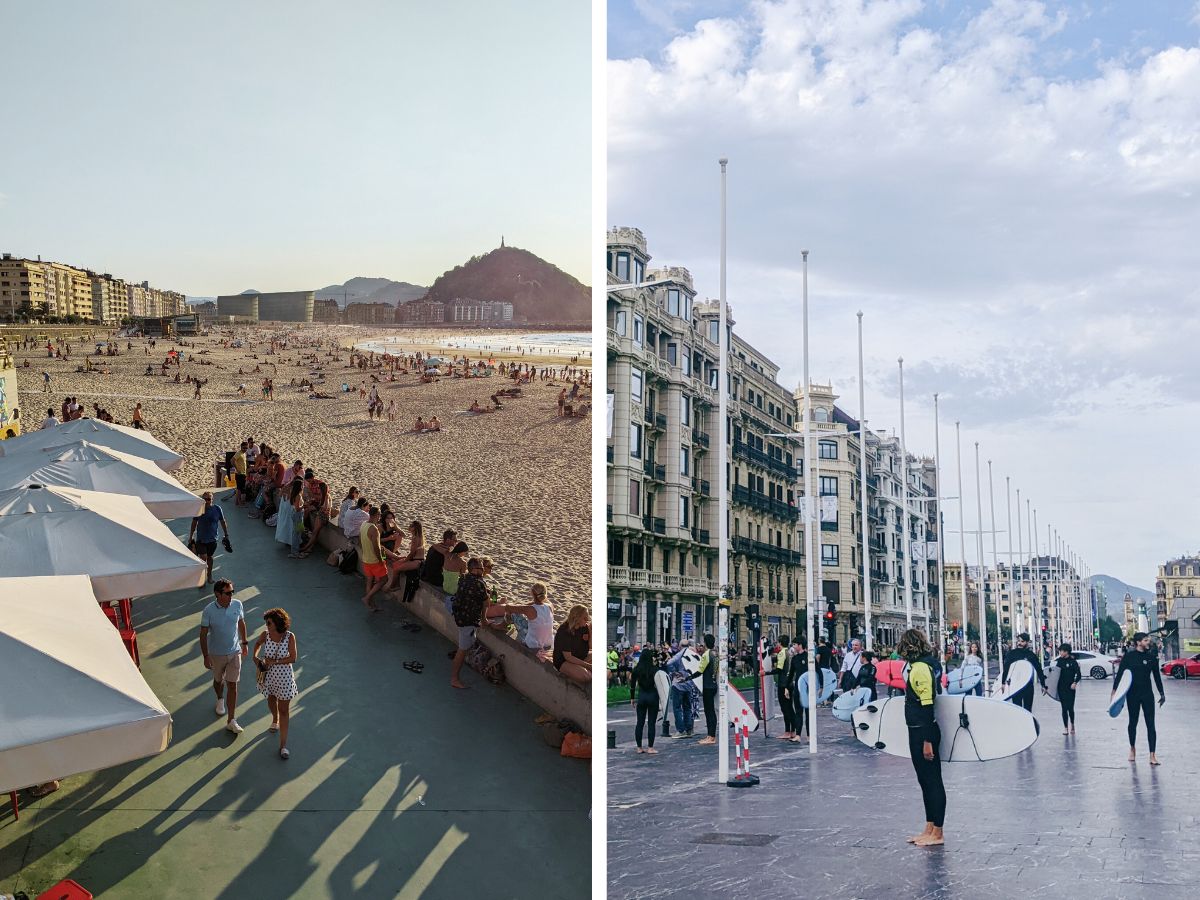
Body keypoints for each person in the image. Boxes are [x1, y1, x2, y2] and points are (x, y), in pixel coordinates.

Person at [898, 628, 946, 847]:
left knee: (933, 781)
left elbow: (928, 704)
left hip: (923, 731)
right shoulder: (921, 666)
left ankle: (938, 833)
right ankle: (929, 827)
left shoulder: (919, 668)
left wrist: (927, 741)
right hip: (917, 729)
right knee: (924, 782)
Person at [199, 579, 248, 735]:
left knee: (233, 685)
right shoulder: (208, 611)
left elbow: (241, 623)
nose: (231, 595)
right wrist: (206, 656)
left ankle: (231, 720)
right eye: (227, 593)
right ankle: (220, 698)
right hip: (216, 653)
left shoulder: (237, 604)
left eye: (232, 592)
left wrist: (245, 642)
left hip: (235, 651)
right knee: (218, 681)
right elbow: (203, 634)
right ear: (217, 594)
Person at [253, 607, 299, 759]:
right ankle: (274, 719)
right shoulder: (265, 635)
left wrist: (275, 661)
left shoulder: (289, 637)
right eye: (266, 622)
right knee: (271, 699)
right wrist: (255, 657)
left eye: (269, 622)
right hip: (269, 676)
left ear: (278, 623)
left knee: (284, 710)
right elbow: (257, 644)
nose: (266, 625)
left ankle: (283, 746)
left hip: (284, 677)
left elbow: (293, 658)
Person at [1113, 631, 1165, 764]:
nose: (1149, 642)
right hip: (1133, 694)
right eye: (1146, 640)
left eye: (1148, 640)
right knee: (1133, 722)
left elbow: (1157, 677)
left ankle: (1152, 755)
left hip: (1147, 694)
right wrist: (1114, 692)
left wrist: (1162, 693)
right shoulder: (1129, 657)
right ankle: (1132, 748)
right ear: (1138, 642)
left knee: (1151, 724)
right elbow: (1120, 675)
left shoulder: (1151, 657)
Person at [450, 557, 490, 689]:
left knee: (464, 647)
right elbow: (486, 603)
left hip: (459, 617)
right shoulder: (479, 584)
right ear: (474, 569)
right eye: (481, 568)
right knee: (462, 650)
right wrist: (484, 619)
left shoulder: (464, 578)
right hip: (468, 621)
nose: (483, 571)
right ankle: (454, 679)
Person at [496, 582, 553, 656]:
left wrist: (518, 606)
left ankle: (502, 626)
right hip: (548, 642)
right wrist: (524, 605)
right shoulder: (550, 606)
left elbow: (507, 607)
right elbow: (535, 603)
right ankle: (503, 626)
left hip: (533, 644)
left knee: (512, 613)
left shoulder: (530, 609)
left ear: (532, 593)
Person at [360, 505, 398, 610]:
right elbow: (376, 548)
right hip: (374, 560)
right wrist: (381, 560)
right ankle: (367, 598)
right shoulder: (374, 529)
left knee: (370, 581)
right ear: (376, 515)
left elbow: (361, 541)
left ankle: (371, 605)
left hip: (366, 558)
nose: (380, 517)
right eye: (379, 515)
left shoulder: (364, 525)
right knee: (384, 579)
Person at [188, 492, 230, 585]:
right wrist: (191, 536)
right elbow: (194, 523)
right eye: (204, 499)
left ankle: (209, 575)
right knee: (203, 558)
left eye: (208, 499)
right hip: (201, 539)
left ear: (212, 499)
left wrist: (226, 534)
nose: (206, 501)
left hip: (213, 539)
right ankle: (201, 578)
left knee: (210, 557)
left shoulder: (217, 509)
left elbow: (223, 522)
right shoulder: (199, 510)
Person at [1000, 633, 1047, 712]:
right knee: (1017, 709)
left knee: (1028, 710)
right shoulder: (1012, 653)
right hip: (1016, 685)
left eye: (1022, 641)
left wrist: (1043, 685)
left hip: (1028, 686)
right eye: (1018, 641)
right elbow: (1006, 668)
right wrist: (1003, 683)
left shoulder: (1031, 655)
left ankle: (1027, 724)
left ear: (1027, 642)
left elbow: (1039, 670)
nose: (1019, 643)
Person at [629, 645, 662, 754]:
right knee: (651, 723)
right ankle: (650, 747)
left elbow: (632, 685)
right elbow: (660, 685)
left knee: (640, 722)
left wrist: (632, 698)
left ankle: (639, 747)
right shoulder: (655, 669)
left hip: (642, 696)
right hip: (653, 696)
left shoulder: (636, 670)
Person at [553, 604, 592, 686]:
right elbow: (568, 657)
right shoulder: (564, 630)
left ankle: (580, 668)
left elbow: (591, 647)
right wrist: (588, 666)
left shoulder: (584, 627)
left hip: (579, 657)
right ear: (577, 618)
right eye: (585, 618)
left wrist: (590, 632)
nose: (587, 619)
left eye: (588, 617)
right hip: (564, 661)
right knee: (586, 677)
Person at [1052, 643, 1082, 735]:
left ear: (1066, 651)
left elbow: (1079, 674)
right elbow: (1055, 674)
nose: (1060, 653)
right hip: (1061, 688)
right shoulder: (1059, 661)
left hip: (1071, 688)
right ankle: (1065, 727)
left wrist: (1075, 682)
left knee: (1070, 708)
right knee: (1064, 708)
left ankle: (1072, 724)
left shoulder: (1073, 662)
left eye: (1061, 651)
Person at [697, 634, 720, 746]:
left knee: (708, 711)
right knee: (712, 711)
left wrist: (688, 677)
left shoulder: (706, 654)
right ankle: (711, 735)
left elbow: (700, 670)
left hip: (707, 686)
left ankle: (711, 736)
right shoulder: (716, 653)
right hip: (714, 684)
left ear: (705, 643)